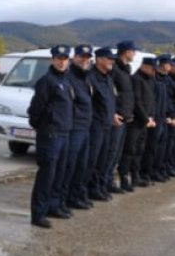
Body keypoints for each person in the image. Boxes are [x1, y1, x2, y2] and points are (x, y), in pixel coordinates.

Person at [27, 45, 74, 229]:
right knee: (47, 176)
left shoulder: (66, 81)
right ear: (52, 60)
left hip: (64, 133)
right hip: (51, 135)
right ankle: (38, 214)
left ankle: (53, 207)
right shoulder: (46, 81)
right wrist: (45, 128)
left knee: (59, 174)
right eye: (58, 59)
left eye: (64, 59)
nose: (62, 62)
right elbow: (35, 111)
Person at [59, 45, 94, 211]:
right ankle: (62, 201)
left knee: (82, 165)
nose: (85, 60)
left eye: (87, 57)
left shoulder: (85, 77)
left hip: (86, 127)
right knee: (69, 166)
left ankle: (75, 197)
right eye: (81, 57)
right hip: (74, 128)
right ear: (74, 58)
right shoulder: (69, 77)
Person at [86, 47, 120, 200]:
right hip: (95, 126)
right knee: (93, 160)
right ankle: (89, 189)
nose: (111, 61)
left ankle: (98, 187)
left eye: (112, 59)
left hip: (107, 124)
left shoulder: (108, 78)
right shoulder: (91, 78)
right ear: (99, 59)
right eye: (108, 59)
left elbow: (110, 100)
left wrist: (112, 114)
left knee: (103, 159)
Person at [123, 57, 156, 188]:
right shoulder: (136, 79)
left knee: (139, 150)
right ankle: (125, 177)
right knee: (129, 150)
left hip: (146, 121)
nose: (154, 71)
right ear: (144, 66)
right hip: (136, 121)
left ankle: (135, 176)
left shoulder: (150, 79)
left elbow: (151, 100)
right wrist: (146, 118)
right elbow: (137, 101)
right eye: (152, 68)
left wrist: (151, 117)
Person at [110, 41, 137, 192]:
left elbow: (128, 94)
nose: (134, 54)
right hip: (117, 117)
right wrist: (114, 112)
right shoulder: (115, 68)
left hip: (126, 116)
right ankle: (106, 182)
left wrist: (129, 112)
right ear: (125, 52)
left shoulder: (126, 69)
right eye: (132, 51)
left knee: (118, 153)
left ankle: (111, 181)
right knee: (112, 152)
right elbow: (112, 93)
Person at [143, 54, 172, 183]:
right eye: (168, 64)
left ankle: (157, 170)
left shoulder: (165, 80)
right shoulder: (154, 80)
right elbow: (151, 101)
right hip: (154, 117)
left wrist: (169, 115)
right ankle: (147, 172)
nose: (170, 66)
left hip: (162, 117)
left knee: (161, 147)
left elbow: (166, 101)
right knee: (151, 147)